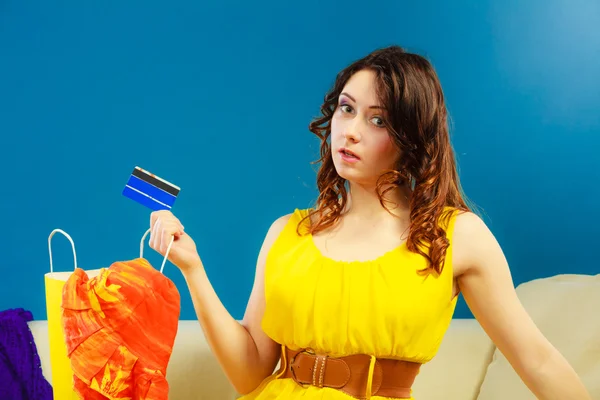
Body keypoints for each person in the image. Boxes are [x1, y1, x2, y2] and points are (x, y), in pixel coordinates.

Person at [148, 46, 590, 399]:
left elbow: (537, 361)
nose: (351, 130)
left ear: (411, 138)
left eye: (377, 119)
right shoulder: (287, 234)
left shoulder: (456, 235)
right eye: (346, 108)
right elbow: (249, 375)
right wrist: (193, 269)